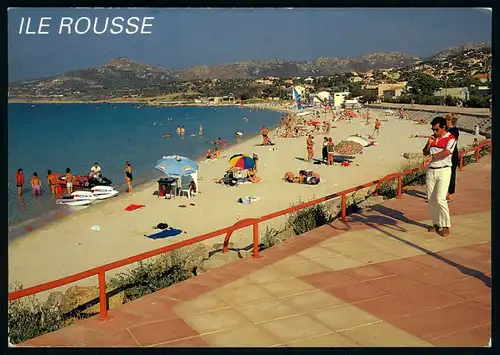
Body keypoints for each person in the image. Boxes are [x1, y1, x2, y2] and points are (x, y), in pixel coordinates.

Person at [422, 116, 457, 237]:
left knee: (440, 198)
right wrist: (429, 144)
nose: (434, 131)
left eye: (436, 129)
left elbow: (447, 152)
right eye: (432, 129)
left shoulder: (451, 138)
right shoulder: (433, 138)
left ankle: (446, 225)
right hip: (431, 170)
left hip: (444, 170)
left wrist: (433, 156)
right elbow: (425, 152)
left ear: (443, 127)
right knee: (431, 199)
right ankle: (436, 223)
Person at [446, 115, 460, 202]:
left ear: (449, 121)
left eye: (446, 120)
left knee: (451, 174)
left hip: (452, 154)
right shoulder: (448, 130)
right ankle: (445, 193)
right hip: (448, 154)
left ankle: (450, 193)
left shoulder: (454, 130)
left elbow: (449, 141)